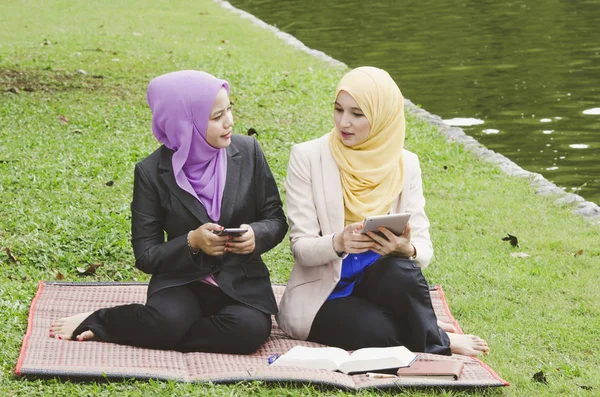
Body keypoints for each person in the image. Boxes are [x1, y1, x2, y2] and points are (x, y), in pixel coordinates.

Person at [50, 70, 287, 354]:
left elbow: (275, 218)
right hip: (181, 281)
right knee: (167, 321)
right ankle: (107, 320)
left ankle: (158, 333)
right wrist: (192, 242)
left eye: (229, 110)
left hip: (241, 283)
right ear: (184, 124)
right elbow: (146, 255)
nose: (229, 122)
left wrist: (255, 234)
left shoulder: (248, 152)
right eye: (215, 117)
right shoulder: (151, 172)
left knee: (247, 331)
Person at [277, 66, 489, 357]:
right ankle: (432, 332)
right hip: (325, 293)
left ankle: (433, 336)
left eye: (357, 114)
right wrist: (338, 242)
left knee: (402, 270)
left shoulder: (405, 164)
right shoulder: (308, 157)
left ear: (382, 116)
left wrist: (405, 248)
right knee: (381, 334)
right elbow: (301, 248)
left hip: (379, 281)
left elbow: (423, 249)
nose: (344, 122)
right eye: (339, 110)